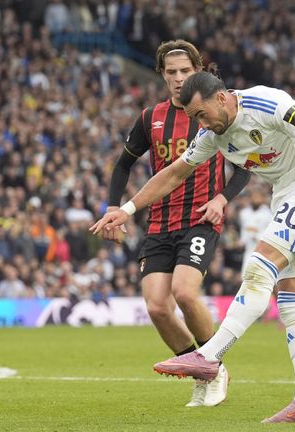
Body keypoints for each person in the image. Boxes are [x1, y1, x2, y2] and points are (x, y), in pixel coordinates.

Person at [91, 71, 295, 423]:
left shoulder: (266, 102)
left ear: (221, 98)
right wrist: (127, 210)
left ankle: (210, 355)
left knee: (259, 267)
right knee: (293, 300)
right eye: (194, 118)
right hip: (289, 193)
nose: (201, 124)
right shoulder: (211, 134)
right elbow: (174, 173)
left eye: (202, 114)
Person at [103, 40, 250, 407]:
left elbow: (245, 167)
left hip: (200, 219)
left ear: (197, 70)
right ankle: (203, 372)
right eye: (171, 72)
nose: (179, 78)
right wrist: (113, 207)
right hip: (159, 222)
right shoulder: (150, 117)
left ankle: (213, 364)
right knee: (156, 307)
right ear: (162, 75)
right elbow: (123, 165)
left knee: (184, 293)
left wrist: (221, 199)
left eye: (185, 71)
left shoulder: (213, 111)